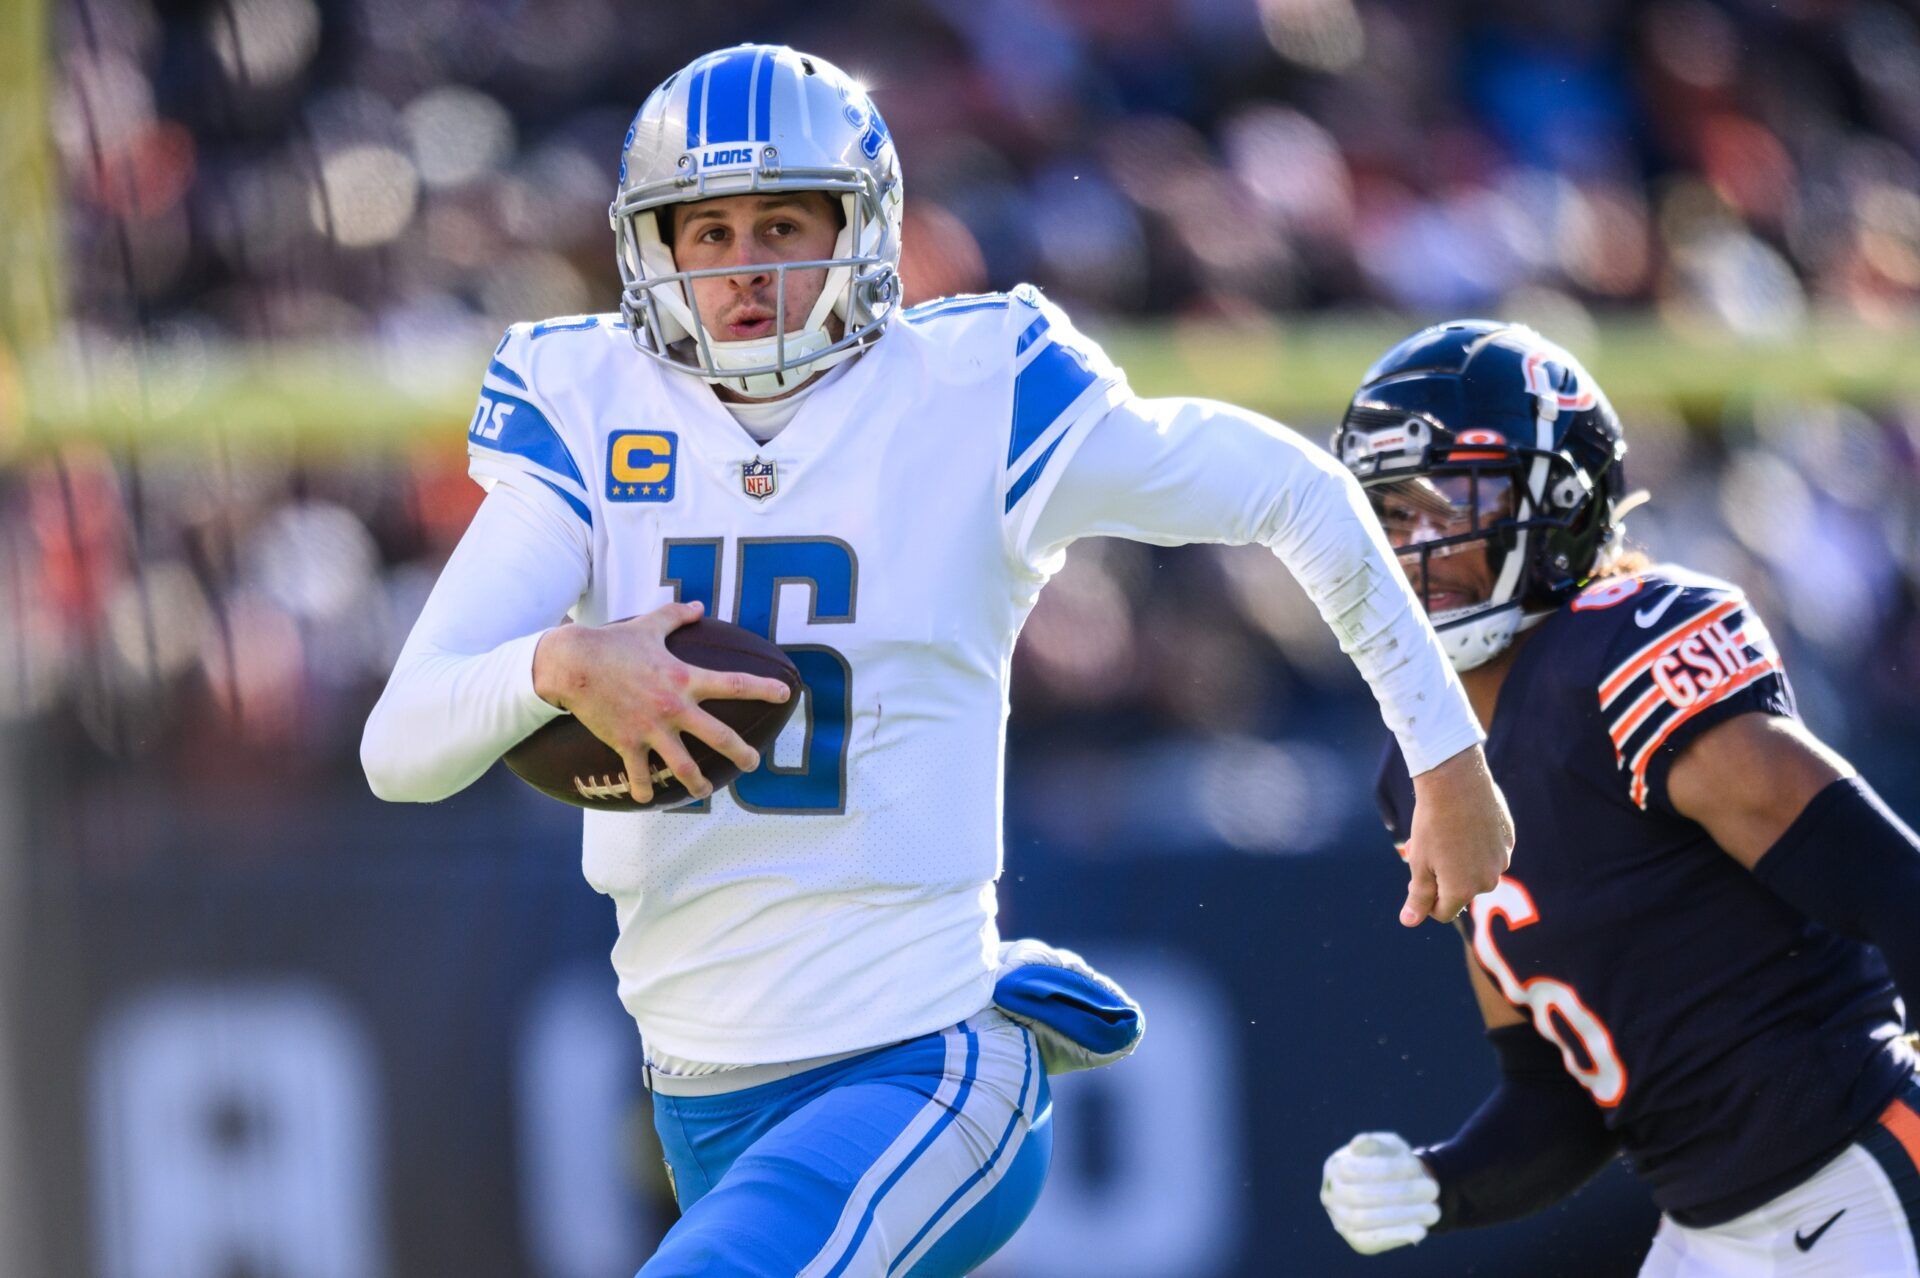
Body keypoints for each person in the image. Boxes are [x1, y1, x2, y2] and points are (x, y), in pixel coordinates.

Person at [361, 45, 1512, 1276]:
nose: (747, 268)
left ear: (862, 231)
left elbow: (1290, 488)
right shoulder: (588, 404)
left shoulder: (973, 392)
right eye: (707, 231)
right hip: (701, 1087)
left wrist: (1446, 756)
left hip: (922, 1065)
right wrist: (559, 663)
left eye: (785, 223)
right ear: (654, 248)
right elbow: (402, 752)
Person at [1317, 320, 1920, 1276]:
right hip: (1703, 1235)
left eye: (1454, 498)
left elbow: (1894, 887)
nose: (1416, 544)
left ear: (1556, 502)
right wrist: (1445, 1185)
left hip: (1857, 1178)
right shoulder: (1419, 766)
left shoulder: (1618, 655)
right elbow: (1561, 1091)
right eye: (1392, 511)